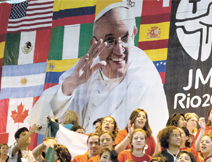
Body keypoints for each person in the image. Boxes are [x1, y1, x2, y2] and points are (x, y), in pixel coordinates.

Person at [28, 4, 168, 136]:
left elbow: (146, 137)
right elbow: (39, 123)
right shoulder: (85, 68)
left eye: (125, 38)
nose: (119, 51)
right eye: (110, 41)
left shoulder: (144, 74)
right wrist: (70, 85)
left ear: (134, 34)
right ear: (94, 43)